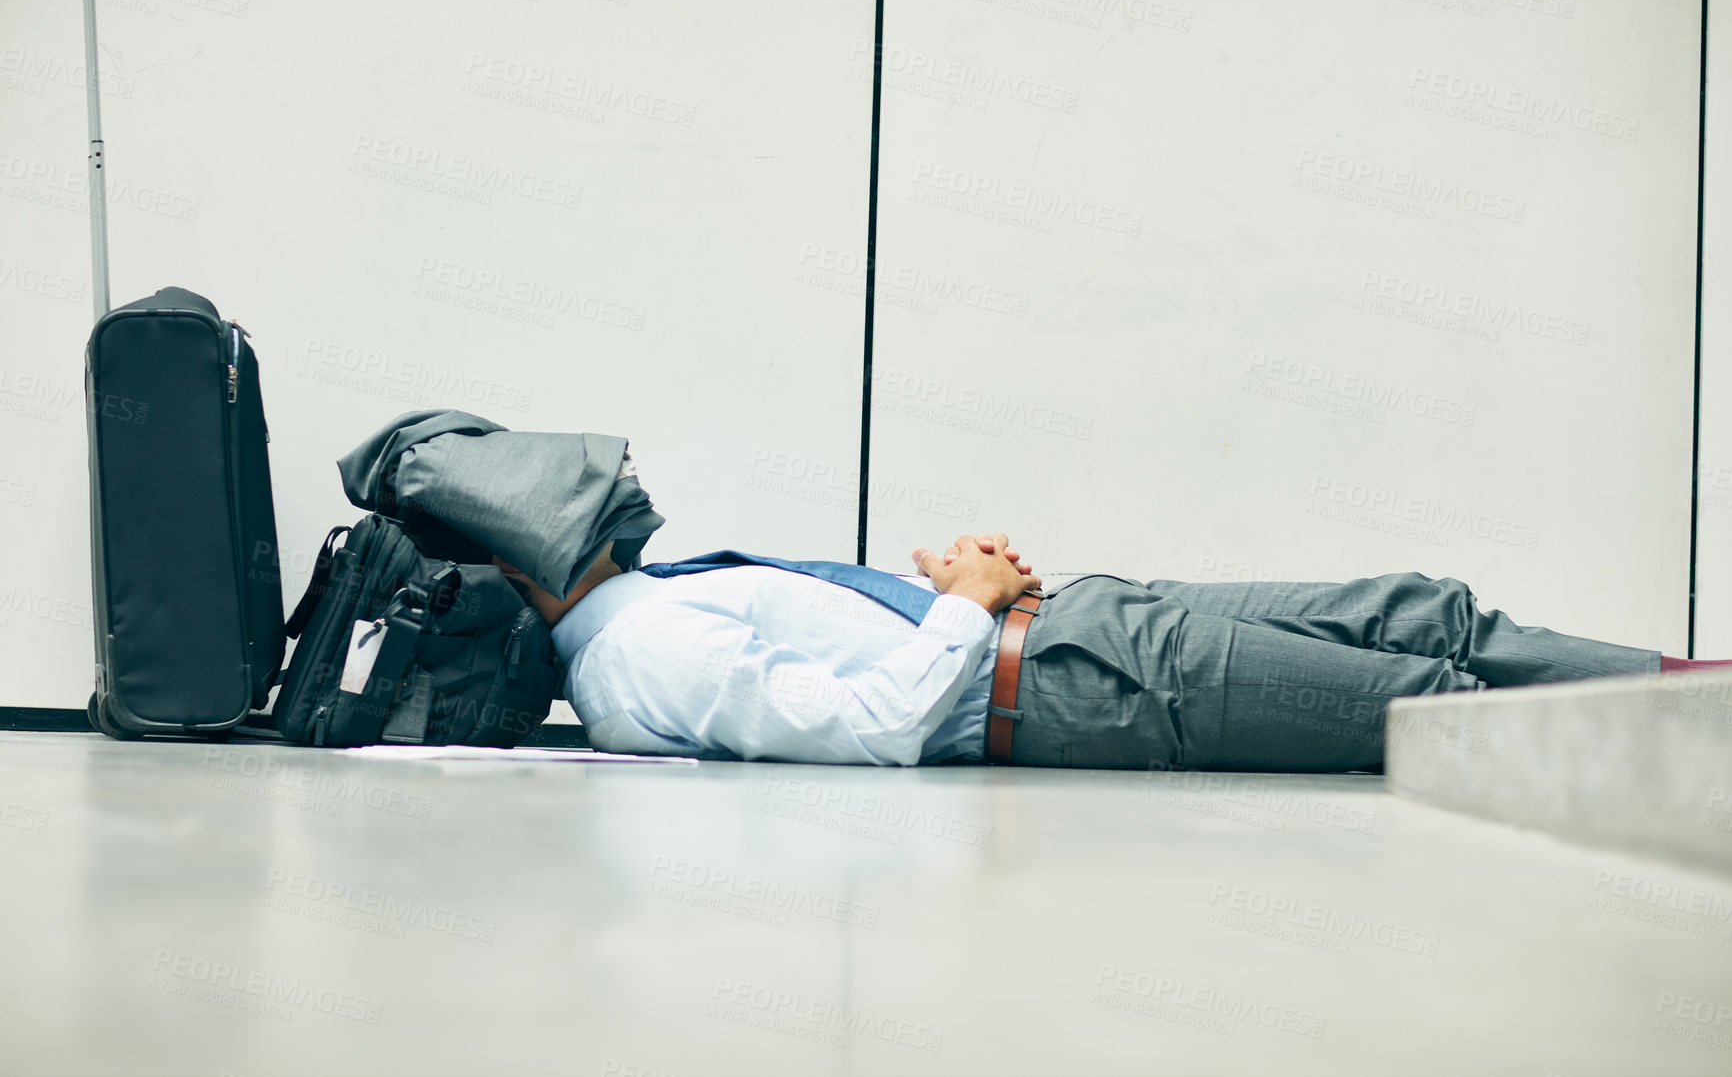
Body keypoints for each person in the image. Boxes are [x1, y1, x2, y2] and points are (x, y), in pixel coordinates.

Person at [495, 534, 1720, 771]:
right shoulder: (633, 659)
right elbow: (874, 726)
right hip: (1094, 688)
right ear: (512, 559)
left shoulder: (650, 596)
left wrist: (947, 590)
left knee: (1423, 610)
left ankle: (1707, 694)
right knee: (1428, 700)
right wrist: (970, 606)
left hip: (1087, 626)